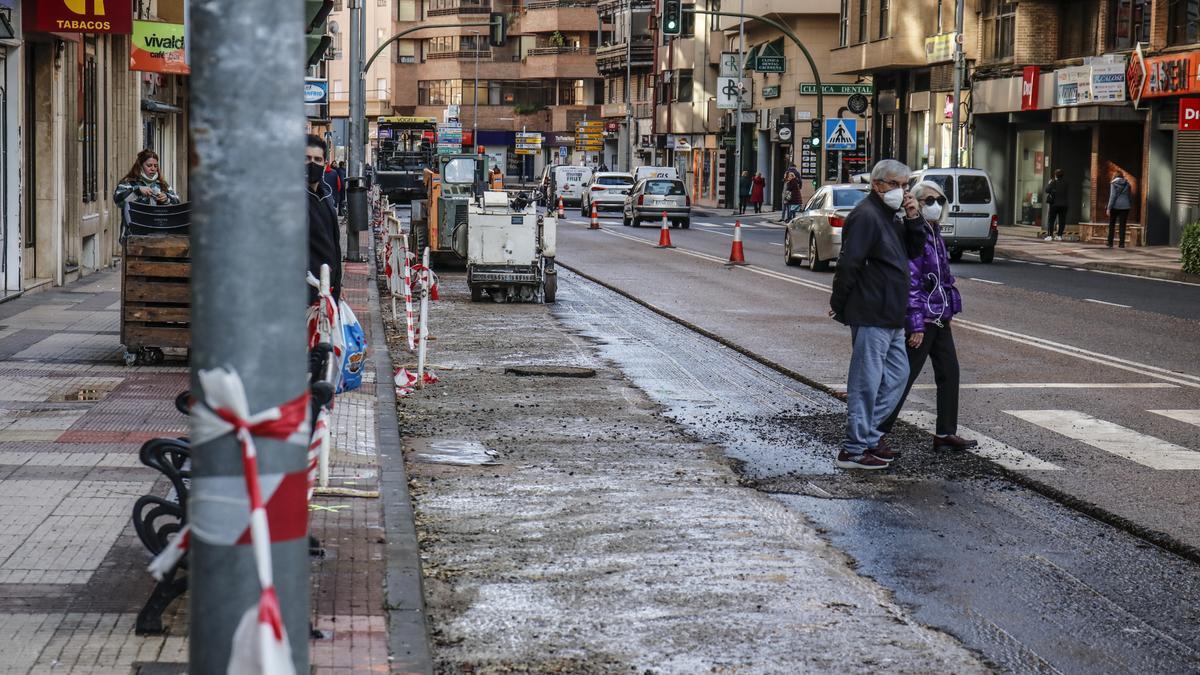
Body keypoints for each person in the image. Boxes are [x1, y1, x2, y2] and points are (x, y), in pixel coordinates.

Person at [828, 159, 926, 470]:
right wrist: (840, 302)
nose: (902, 191)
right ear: (877, 185)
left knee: (897, 377)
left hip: (892, 313)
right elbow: (848, 263)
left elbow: (912, 252)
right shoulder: (866, 215)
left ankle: (870, 437)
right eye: (895, 185)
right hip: (871, 310)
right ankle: (853, 449)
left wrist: (914, 218)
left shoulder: (892, 216)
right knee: (865, 383)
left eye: (905, 185)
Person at [876, 180, 978, 454]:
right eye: (928, 200)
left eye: (939, 201)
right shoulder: (915, 233)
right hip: (923, 321)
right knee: (903, 377)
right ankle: (875, 434)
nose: (935, 206)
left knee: (949, 373)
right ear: (916, 203)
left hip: (940, 317)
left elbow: (942, 278)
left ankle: (946, 433)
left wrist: (948, 309)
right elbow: (911, 282)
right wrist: (915, 323)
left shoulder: (934, 232)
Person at [306, 134, 342, 303]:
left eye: (317, 159)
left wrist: (336, 288)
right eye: (306, 158)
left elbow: (334, 245)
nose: (312, 163)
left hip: (328, 293)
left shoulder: (325, 197)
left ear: (324, 163)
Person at [113, 149, 181, 208]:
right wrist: (137, 191)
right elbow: (119, 202)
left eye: (155, 166)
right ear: (140, 166)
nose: (153, 169)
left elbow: (177, 203)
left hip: (157, 223)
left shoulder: (162, 185)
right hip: (134, 223)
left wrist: (166, 198)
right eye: (149, 165)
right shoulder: (128, 183)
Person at [1107, 170, 1133, 248]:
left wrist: (1109, 208)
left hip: (1115, 206)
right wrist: (1129, 204)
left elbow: (1112, 196)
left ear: (1115, 176)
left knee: (1112, 224)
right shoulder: (1127, 184)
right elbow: (1129, 196)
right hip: (1125, 206)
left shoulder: (1113, 183)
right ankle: (1121, 244)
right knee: (1122, 225)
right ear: (1121, 176)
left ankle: (1110, 243)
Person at [1043, 169, 1068, 241]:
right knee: (1062, 221)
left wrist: (1049, 183)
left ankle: (1050, 236)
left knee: (1051, 220)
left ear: (1055, 175)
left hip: (1054, 204)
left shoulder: (1053, 182)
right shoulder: (1066, 183)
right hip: (1064, 205)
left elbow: (1047, 190)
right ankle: (1059, 236)